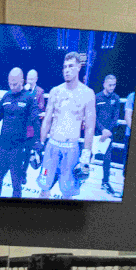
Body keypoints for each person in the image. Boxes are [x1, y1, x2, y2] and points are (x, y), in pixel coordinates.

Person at [36, 50, 97, 199]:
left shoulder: (87, 94)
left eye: (70, 66)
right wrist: (40, 143)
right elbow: (47, 120)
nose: (67, 70)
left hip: (71, 149)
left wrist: (86, 155)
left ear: (78, 67)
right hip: (51, 147)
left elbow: (90, 127)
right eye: (64, 67)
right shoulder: (55, 91)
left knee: (67, 192)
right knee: (44, 187)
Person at [0, 66, 41, 199]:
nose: (12, 87)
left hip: (18, 149)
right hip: (2, 147)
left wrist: (37, 143)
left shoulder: (29, 98)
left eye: (15, 84)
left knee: (16, 184)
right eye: (10, 84)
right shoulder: (6, 96)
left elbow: (35, 121)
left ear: (22, 81)